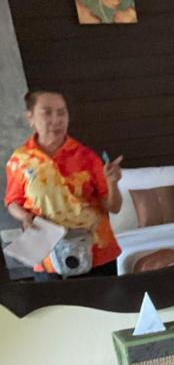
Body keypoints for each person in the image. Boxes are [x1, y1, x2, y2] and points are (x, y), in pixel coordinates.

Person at [4, 90, 123, 278]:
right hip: (48, 254)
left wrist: (112, 183)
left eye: (62, 112)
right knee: (55, 298)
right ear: (30, 118)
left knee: (103, 298)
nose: (56, 120)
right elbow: (13, 202)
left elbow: (113, 207)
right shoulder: (20, 161)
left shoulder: (86, 157)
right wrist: (26, 218)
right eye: (47, 112)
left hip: (96, 252)